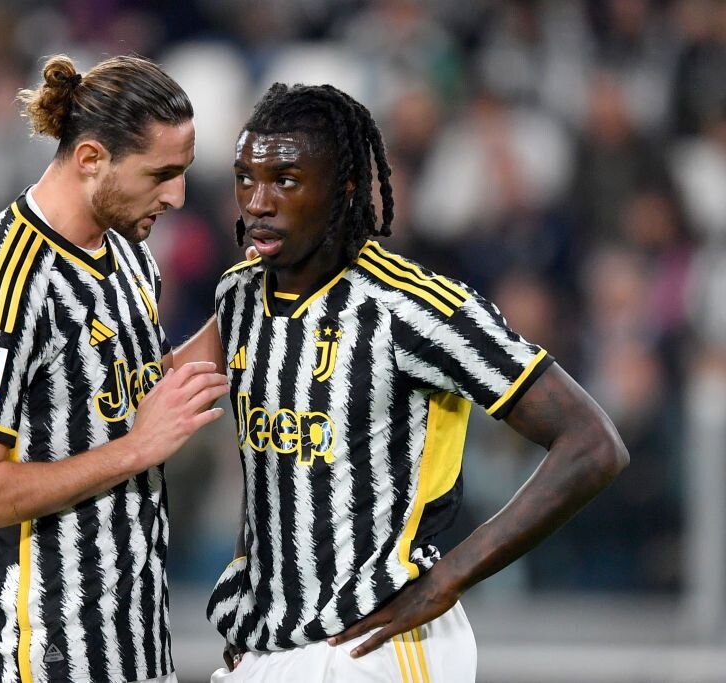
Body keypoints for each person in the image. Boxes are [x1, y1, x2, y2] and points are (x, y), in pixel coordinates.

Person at [185, 83, 629, 682]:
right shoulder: (238, 295)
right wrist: (254, 607)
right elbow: (271, 462)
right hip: (268, 645)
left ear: (344, 187)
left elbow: (593, 443)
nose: (258, 203)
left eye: (285, 180)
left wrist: (449, 578)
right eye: (245, 179)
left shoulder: (413, 306)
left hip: (377, 645)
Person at [0, 54, 229, 683]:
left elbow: (124, 399)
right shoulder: (5, 281)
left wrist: (245, 307)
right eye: (161, 174)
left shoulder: (128, 250)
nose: (177, 196)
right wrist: (136, 450)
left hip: (135, 642)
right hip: (38, 653)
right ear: (91, 158)